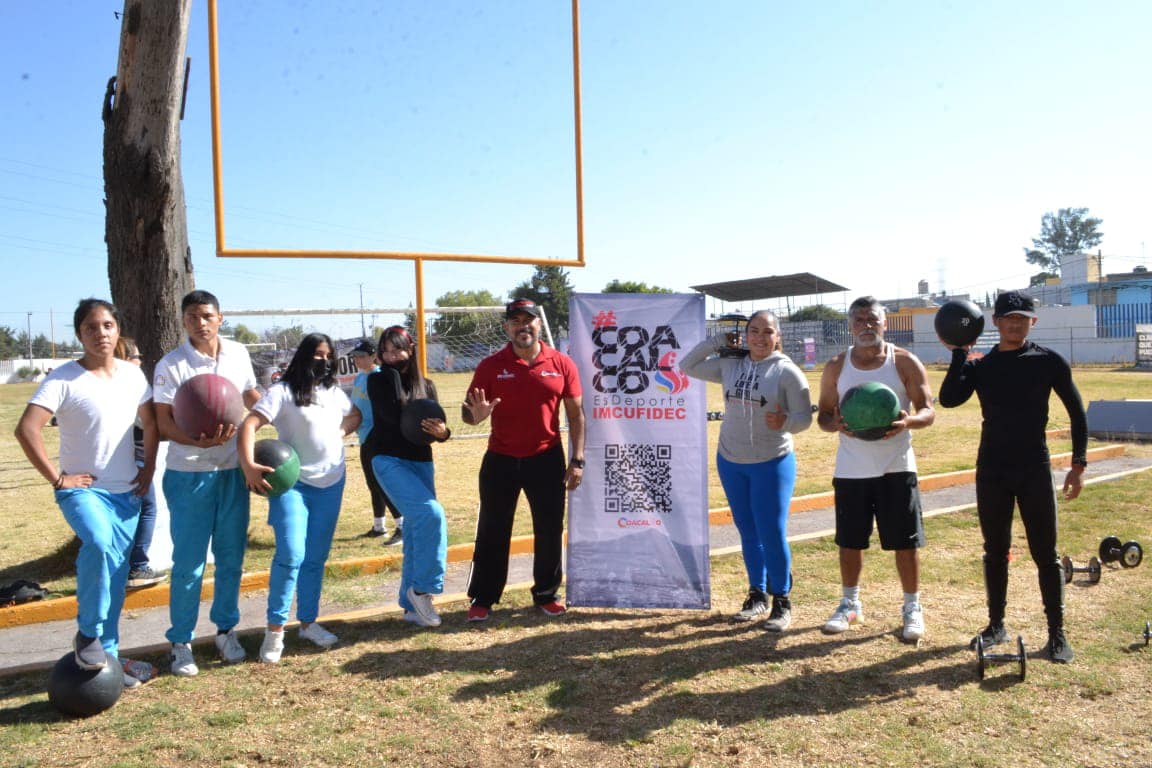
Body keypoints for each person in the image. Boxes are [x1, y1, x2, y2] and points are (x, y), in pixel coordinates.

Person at [14, 299, 157, 690]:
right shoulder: (63, 378)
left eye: (107, 326)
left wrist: (148, 467)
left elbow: (151, 423)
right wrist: (59, 479)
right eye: (91, 328)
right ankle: (88, 635)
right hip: (85, 492)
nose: (101, 334)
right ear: (79, 335)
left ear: (117, 331)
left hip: (127, 493)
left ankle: (109, 656)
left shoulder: (132, 376)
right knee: (96, 541)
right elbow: (27, 430)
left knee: (114, 574)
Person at [938, 290, 1086, 663]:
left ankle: (1056, 634)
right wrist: (959, 351)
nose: (1016, 323)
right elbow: (949, 398)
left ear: (1031, 322)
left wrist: (1078, 465)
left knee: (1044, 553)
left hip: (1034, 467)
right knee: (995, 550)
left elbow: (1077, 413)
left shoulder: (1048, 361)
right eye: (1009, 318)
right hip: (992, 469)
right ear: (997, 322)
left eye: (1023, 318)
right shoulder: (981, 364)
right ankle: (996, 625)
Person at [681, 310, 814, 632]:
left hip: (772, 462)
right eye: (754, 331)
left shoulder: (787, 372)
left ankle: (781, 599)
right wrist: (718, 340)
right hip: (731, 460)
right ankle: (757, 595)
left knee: (771, 531)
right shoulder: (731, 364)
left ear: (777, 336)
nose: (759, 337)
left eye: (767, 332)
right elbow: (687, 366)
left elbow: (804, 419)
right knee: (747, 530)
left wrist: (785, 422)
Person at [153, 290, 261, 676]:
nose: (201, 323)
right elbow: (164, 423)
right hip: (189, 474)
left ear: (220, 318)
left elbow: (250, 395)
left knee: (231, 559)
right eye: (192, 317)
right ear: (183, 321)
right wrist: (198, 440)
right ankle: (181, 641)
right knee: (189, 564)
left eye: (207, 316)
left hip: (232, 471)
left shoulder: (238, 354)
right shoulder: (171, 364)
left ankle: (226, 630)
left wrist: (275, 408)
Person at [816, 296, 936, 642]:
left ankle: (912, 607)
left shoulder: (904, 362)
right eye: (859, 320)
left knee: (906, 543)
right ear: (850, 325)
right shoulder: (837, 366)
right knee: (850, 542)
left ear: (885, 323)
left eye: (873, 320)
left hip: (896, 467)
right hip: (852, 469)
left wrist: (909, 421)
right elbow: (823, 416)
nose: (866, 326)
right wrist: (835, 423)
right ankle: (850, 604)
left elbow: (928, 411)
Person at [238, 333, 360, 663]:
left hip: (332, 482)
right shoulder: (282, 392)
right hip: (293, 485)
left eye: (328, 355)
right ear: (303, 357)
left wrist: (341, 432)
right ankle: (275, 631)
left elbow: (355, 416)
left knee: (315, 558)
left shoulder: (333, 392)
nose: (323, 361)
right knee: (291, 554)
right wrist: (248, 465)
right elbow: (249, 424)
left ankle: (308, 623)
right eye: (316, 355)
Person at [462, 299, 585, 622]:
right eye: (515, 321)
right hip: (500, 460)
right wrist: (476, 416)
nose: (522, 326)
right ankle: (483, 597)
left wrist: (578, 459)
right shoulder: (490, 365)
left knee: (549, 529)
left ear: (538, 325)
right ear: (507, 328)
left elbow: (576, 415)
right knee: (492, 529)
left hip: (545, 458)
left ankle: (546, 593)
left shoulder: (561, 363)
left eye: (527, 320)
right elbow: (468, 413)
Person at [366, 325, 452, 627]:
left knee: (418, 528)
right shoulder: (377, 380)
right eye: (386, 351)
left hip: (421, 462)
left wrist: (444, 432)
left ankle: (410, 605)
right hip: (388, 458)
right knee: (432, 515)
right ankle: (423, 589)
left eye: (398, 349)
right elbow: (398, 418)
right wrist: (389, 371)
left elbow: (435, 426)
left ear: (411, 349)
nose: (391, 356)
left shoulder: (427, 385)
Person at [113, 337, 167, 589]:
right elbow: (145, 424)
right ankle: (137, 566)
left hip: (108, 463)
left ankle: (121, 566)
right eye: (136, 357)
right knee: (147, 508)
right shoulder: (131, 385)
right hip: (131, 459)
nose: (140, 361)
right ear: (125, 359)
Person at [349, 339, 402, 544]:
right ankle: (379, 526)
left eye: (362, 356)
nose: (357, 359)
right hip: (364, 435)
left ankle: (402, 526)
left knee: (383, 483)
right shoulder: (359, 378)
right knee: (372, 483)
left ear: (373, 356)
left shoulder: (379, 376)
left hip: (377, 435)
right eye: (355, 356)